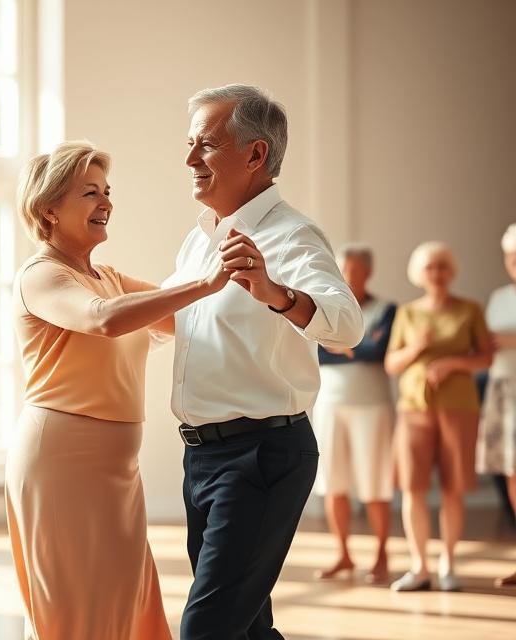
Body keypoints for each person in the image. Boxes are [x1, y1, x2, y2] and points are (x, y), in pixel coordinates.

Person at [6, 140, 229, 640]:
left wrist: (275, 303)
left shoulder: (107, 276)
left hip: (116, 472)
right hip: (61, 464)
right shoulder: (41, 276)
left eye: (107, 191)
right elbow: (102, 320)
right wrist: (205, 284)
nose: (106, 201)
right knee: (78, 609)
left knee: (126, 605)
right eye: (89, 192)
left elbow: (187, 320)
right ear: (48, 209)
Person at [164, 85, 363, 639]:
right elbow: (166, 317)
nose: (189, 160)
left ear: (255, 154)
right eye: (189, 144)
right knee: (247, 628)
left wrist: (275, 292)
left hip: (262, 455)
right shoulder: (199, 240)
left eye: (204, 145)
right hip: (201, 457)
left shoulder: (291, 235)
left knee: (205, 629)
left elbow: (347, 325)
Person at [385, 241, 492, 592]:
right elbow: (391, 364)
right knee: (413, 489)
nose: (437, 274)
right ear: (419, 273)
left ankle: (448, 563)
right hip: (414, 408)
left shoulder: (470, 310)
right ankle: (419, 567)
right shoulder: (408, 313)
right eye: (430, 267)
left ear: (452, 270)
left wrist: (451, 364)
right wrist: (417, 348)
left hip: (459, 408)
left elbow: (486, 358)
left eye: (442, 266)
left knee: (453, 488)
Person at [312, 244, 396, 584]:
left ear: (367, 272)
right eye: (343, 267)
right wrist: (353, 348)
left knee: (375, 484)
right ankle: (343, 555)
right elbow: (316, 352)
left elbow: (379, 350)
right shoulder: (327, 309)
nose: (348, 275)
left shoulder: (386, 310)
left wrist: (343, 346)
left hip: (372, 407)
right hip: (330, 405)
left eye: (354, 269)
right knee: (334, 482)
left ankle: (380, 556)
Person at [476, 223, 516, 587]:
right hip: (503, 388)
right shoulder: (500, 296)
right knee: (512, 473)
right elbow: (488, 347)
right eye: (510, 256)